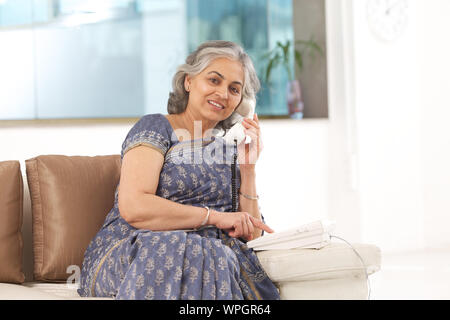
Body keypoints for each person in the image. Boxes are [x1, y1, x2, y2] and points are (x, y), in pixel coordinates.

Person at [77, 40, 280, 300]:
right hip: (134, 249)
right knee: (196, 252)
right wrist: (214, 218)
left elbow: (252, 235)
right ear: (189, 82)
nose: (223, 94)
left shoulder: (231, 151)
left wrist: (248, 169)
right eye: (214, 80)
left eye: (234, 89)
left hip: (211, 256)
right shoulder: (156, 128)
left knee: (216, 256)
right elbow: (134, 207)